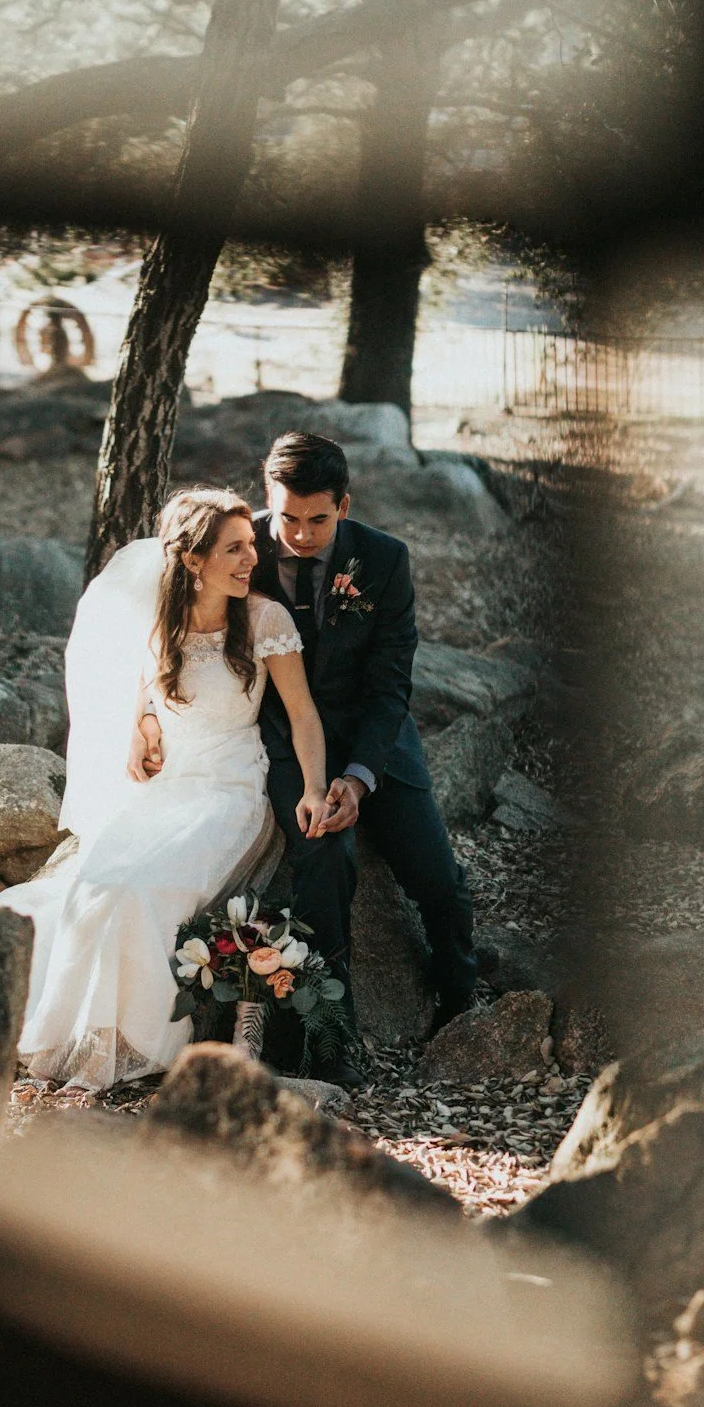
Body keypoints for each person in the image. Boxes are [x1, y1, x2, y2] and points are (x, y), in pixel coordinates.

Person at [0, 488, 331, 1093]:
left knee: (139, 894)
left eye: (250, 545)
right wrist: (142, 721)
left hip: (231, 791)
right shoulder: (160, 624)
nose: (251, 558)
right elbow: (139, 688)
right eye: (233, 548)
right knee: (91, 891)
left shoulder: (263, 619)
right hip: (168, 790)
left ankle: (139, 1046)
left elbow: (303, 714)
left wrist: (313, 788)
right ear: (194, 560)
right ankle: (74, 1038)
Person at [249, 431, 476, 1066]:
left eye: (317, 519)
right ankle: (332, 1032)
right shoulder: (243, 554)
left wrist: (357, 776)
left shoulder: (383, 559)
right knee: (324, 862)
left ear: (344, 507)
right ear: (269, 499)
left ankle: (462, 999)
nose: (298, 533)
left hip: (379, 745)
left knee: (439, 879)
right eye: (287, 516)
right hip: (288, 743)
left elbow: (390, 684)